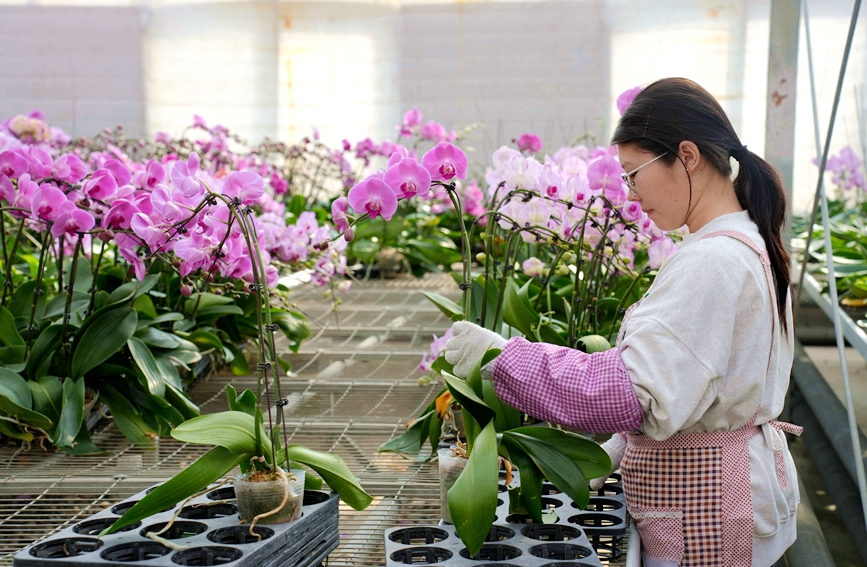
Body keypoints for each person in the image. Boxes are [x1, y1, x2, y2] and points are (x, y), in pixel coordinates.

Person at [444, 78, 801, 567]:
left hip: (707, 515)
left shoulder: (712, 263)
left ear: (688, 156)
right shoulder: (745, 242)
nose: (630, 194)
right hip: (724, 492)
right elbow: (690, 382)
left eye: (634, 174)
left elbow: (627, 391)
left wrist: (503, 357)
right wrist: (619, 447)